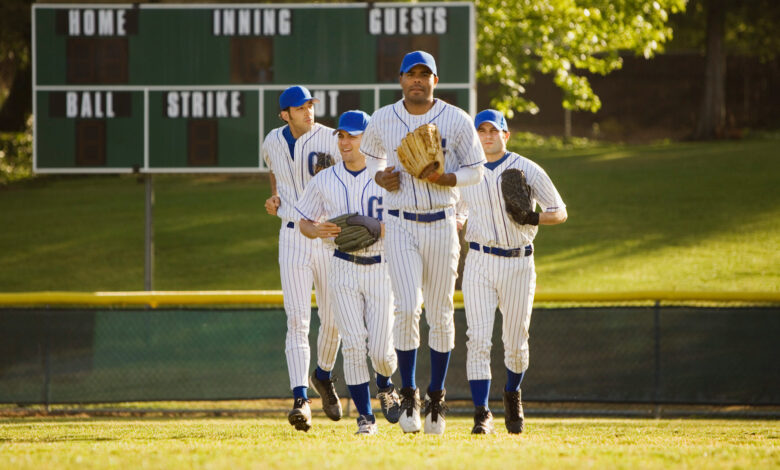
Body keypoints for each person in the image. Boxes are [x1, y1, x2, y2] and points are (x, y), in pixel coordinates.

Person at [360, 50, 486, 434]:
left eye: (424, 73)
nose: (417, 79)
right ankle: (411, 393)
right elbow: (370, 159)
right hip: (399, 224)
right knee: (405, 310)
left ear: (435, 79)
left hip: (443, 221)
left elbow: (477, 169)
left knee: (441, 312)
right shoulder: (383, 117)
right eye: (410, 73)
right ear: (400, 79)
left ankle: (437, 396)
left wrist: (450, 179)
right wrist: (381, 177)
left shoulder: (455, 118)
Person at [459, 109, 567, 434]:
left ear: (506, 135)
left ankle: (511, 393)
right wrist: (457, 224)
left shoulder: (527, 169)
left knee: (516, 342)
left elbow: (559, 212)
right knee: (477, 339)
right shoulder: (465, 172)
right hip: (479, 261)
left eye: (494, 130)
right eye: (482, 130)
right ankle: (481, 413)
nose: (488, 136)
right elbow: (457, 211)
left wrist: (532, 218)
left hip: (519, 261)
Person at [295, 110, 402, 435]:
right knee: (354, 345)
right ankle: (365, 419)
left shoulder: (385, 176)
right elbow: (303, 221)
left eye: (352, 135)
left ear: (368, 139)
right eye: (341, 135)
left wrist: (379, 227)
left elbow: (403, 225)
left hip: (381, 268)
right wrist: (316, 230)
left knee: (381, 352)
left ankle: (385, 383)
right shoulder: (325, 178)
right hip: (341, 265)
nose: (345, 141)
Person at [262, 85, 343, 432]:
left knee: (334, 319)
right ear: (285, 114)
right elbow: (275, 170)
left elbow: (351, 176)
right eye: (300, 107)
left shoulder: (331, 139)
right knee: (297, 320)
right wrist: (275, 197)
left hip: (327, 235)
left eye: (310, 105)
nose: (308, 111)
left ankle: (322, 375)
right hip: (293, 235)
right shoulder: (271, 142)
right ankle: (300, 400)